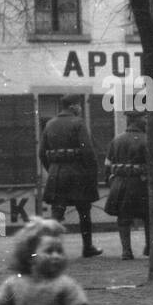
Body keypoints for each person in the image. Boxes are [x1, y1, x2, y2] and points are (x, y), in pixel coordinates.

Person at [39, 94, 103, 258]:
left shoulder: (49, 124)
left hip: (57, 174)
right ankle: (87, 247)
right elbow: (88, 151)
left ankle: (51, 250)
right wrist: (91, 173)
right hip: (78, 174)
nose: (80, 109)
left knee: (57, 213)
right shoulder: (78, 123)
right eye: (79, 106)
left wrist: (52, 168)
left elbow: (41, 153)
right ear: (74, 107)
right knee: (84, 211)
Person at [104, 114, 150, 260]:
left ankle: (126, 251)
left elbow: (107, 164)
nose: (146, 121)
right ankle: (149, 248)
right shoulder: (147, 139)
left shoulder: (116, 139)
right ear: (137, 120)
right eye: (144, 118)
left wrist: (111, 182)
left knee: (123, 218)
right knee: (148, 216)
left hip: (120, 183)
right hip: (140, 183)